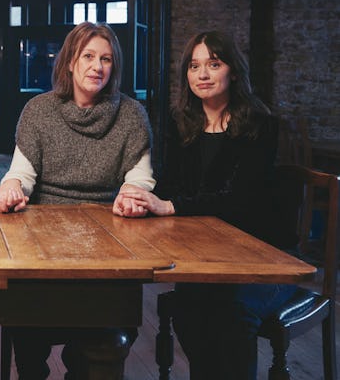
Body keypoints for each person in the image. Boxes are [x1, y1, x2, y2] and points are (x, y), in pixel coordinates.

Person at [113, 30, 296, 380]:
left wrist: (170, 206)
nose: (203, 74)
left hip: (268, 259)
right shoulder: (183, 123)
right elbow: (168, 186)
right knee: (187, 310)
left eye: (214, 63)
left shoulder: (261, 125)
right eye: (194, 66)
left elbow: (242, 200)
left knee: (232, 311)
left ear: (233, 72)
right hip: (210, 257)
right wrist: (140, 199)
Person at [0, 22, 155, 379]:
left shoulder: (131, 115)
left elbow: (139, 180)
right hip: (44, 237)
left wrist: (131, 197)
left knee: (102, 337)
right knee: (27, 325)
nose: (98, 67)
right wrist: (11, 186)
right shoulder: (38, 110)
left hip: (106, 234)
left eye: (106, 59)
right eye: (89, 56)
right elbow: (21, 173)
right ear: (69, 62)